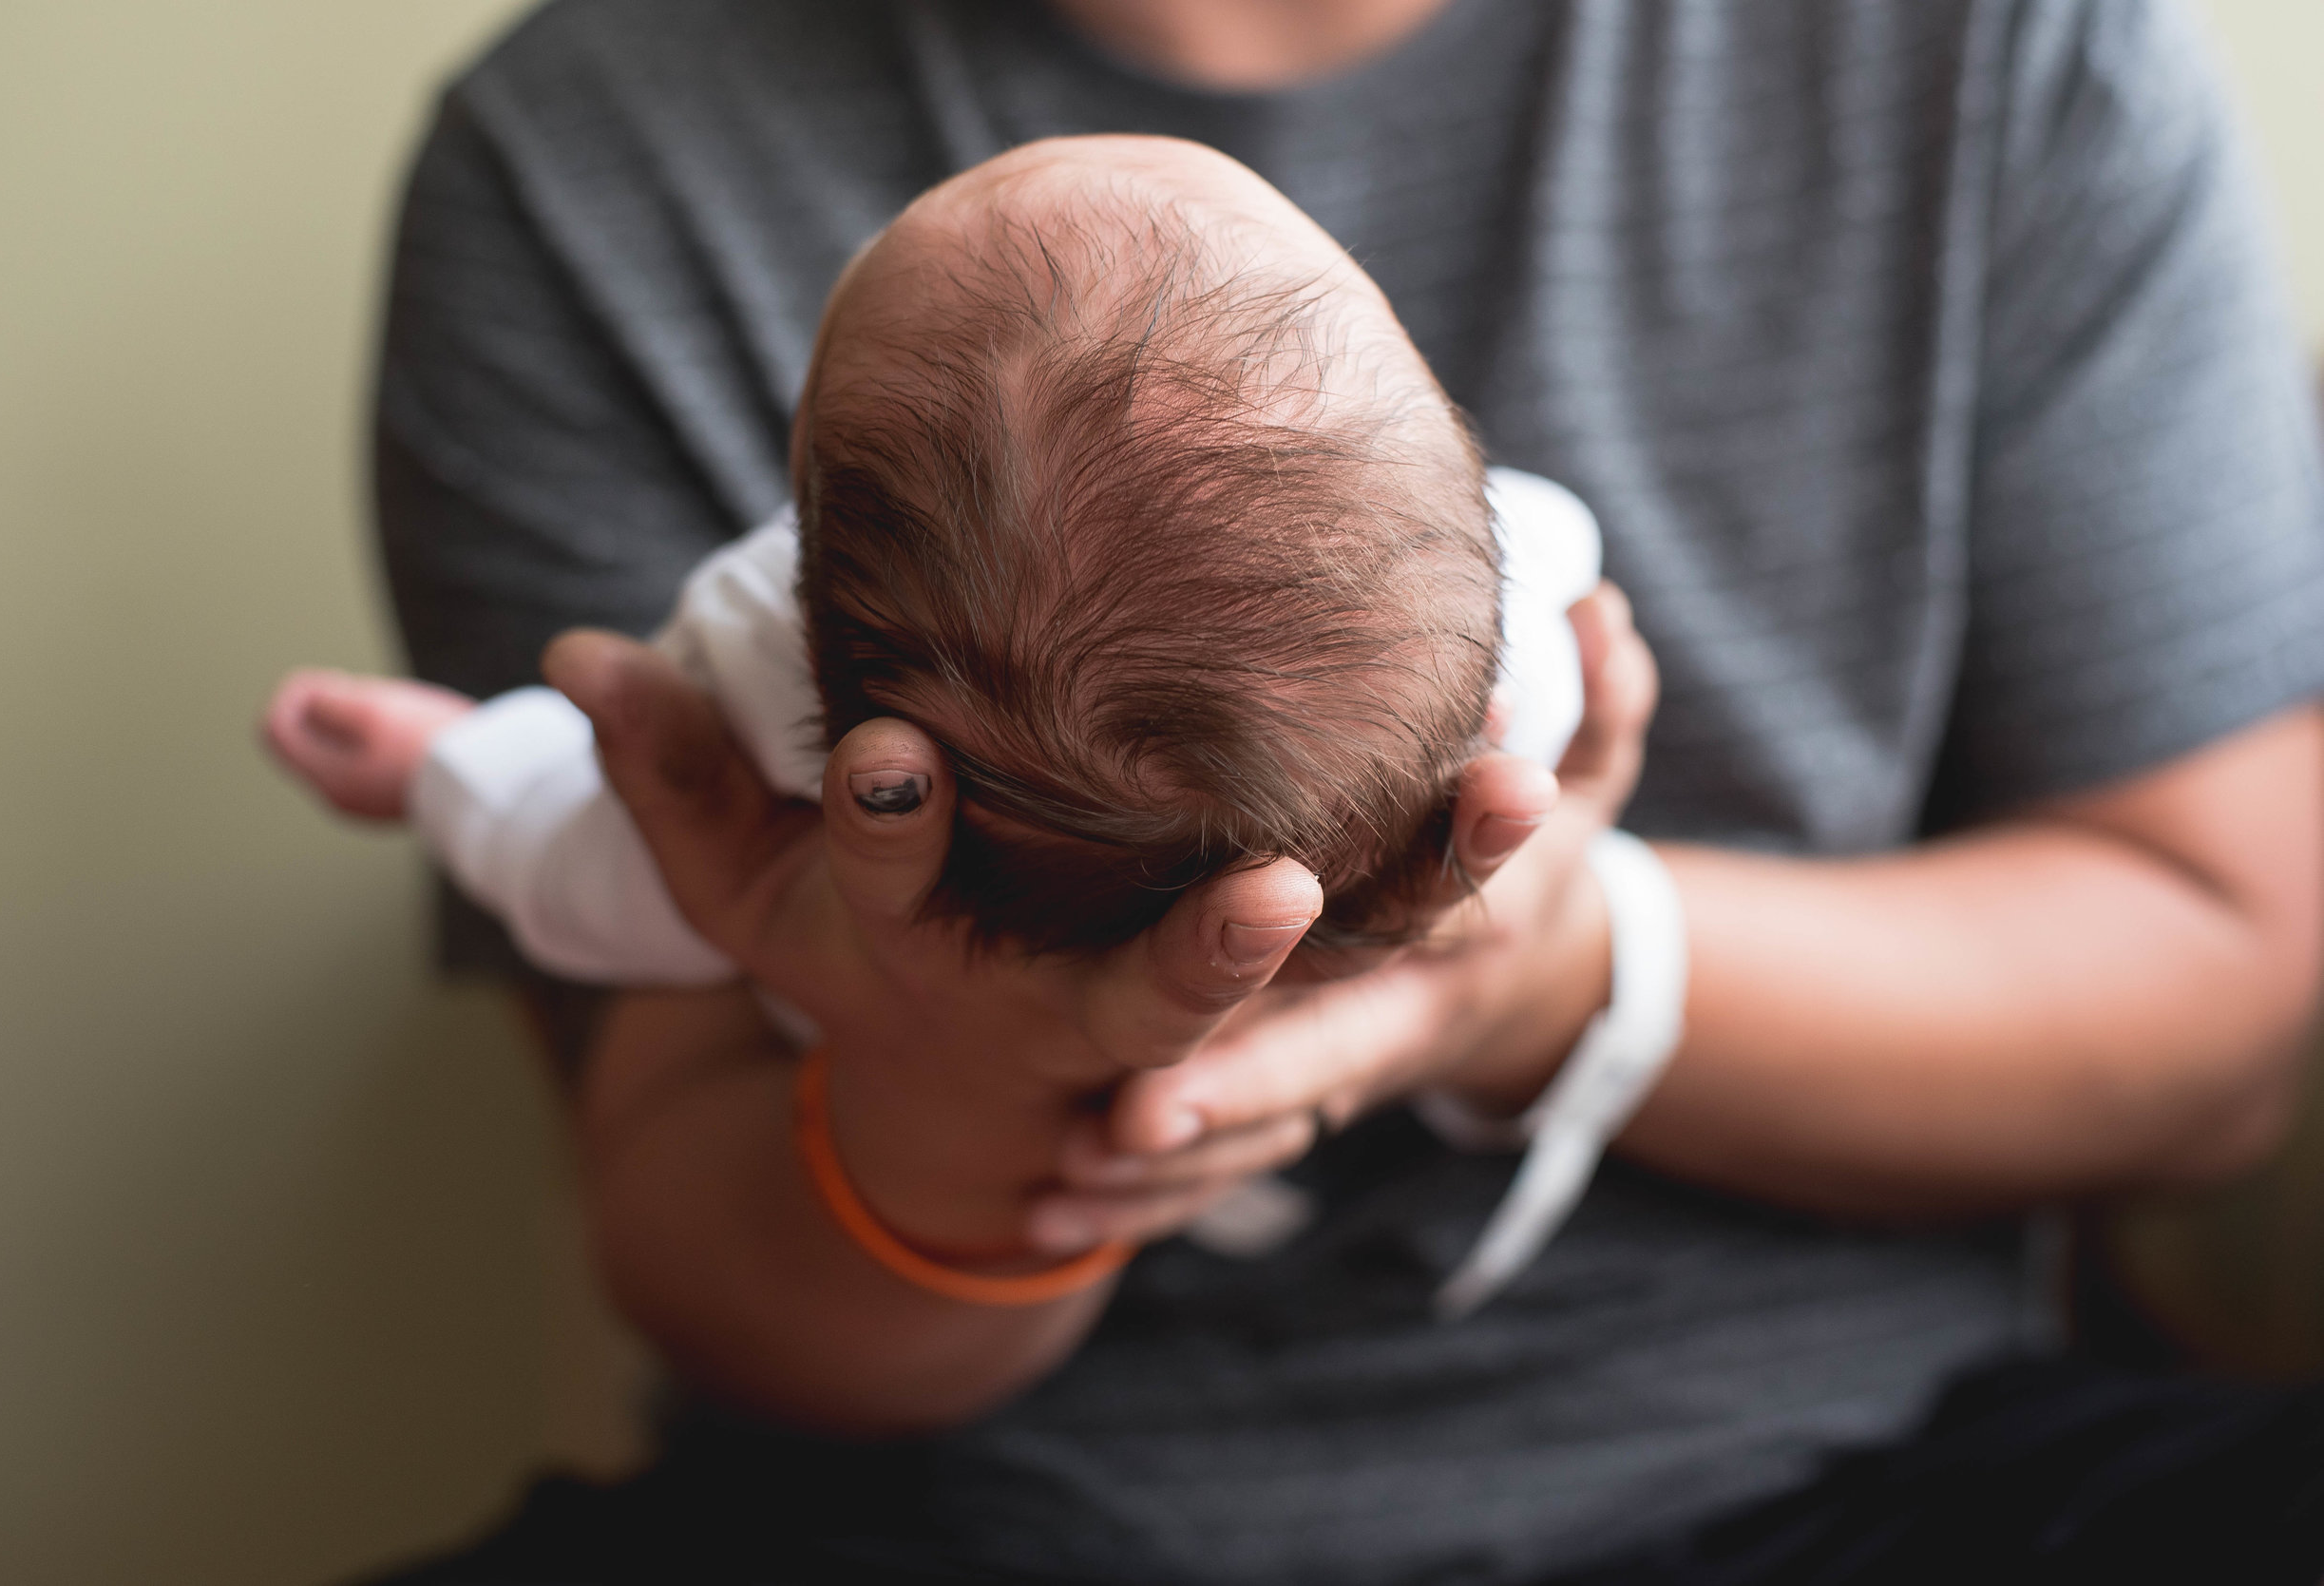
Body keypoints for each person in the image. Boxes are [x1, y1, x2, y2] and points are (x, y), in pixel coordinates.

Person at [351, 0, 2324, 1580]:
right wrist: (949, 1085)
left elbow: (2210, 1008)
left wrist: (1540, 974)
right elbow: (709, 1258)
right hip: (938, 1518)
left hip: (1886, 1474)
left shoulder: (1993, 41)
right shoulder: (577, 155)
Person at [264, 135, 1604, 990]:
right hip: (1343, 989)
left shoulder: (753, 646)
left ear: (801, 500)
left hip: (902, 998)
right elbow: (1555, 539)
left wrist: (453, 770)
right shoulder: (1507, 644)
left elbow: (598, 887)